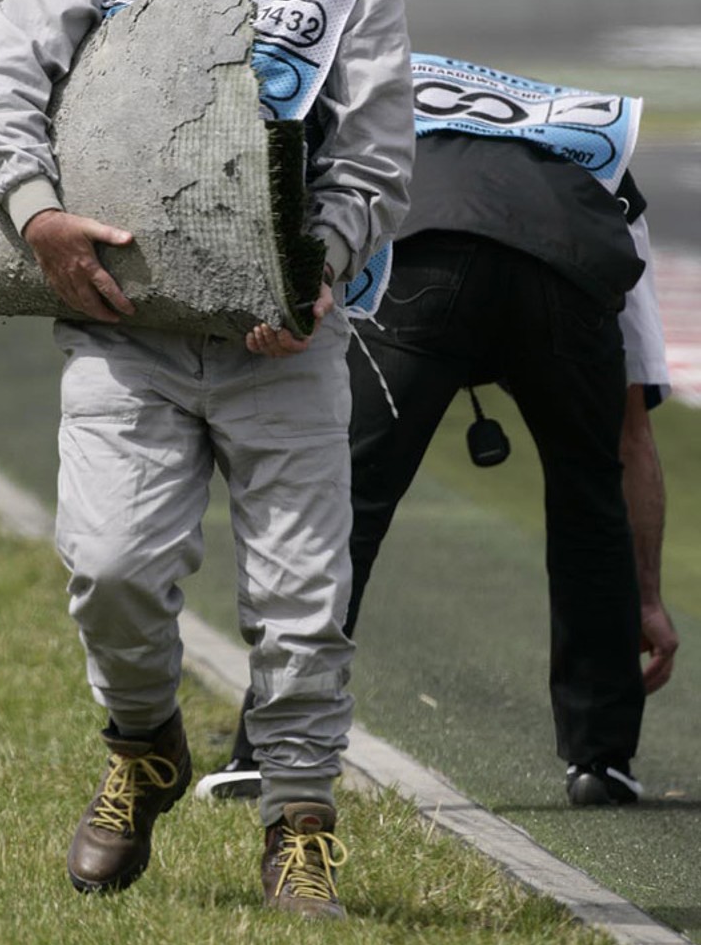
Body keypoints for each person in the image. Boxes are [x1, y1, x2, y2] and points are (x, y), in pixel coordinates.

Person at [0, 0, 413, 918]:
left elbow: (374, 165)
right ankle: (145, 745)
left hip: (282, 343)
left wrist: (316, 276)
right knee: (107, 567)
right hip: (123, 322)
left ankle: (300, 821)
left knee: (303, 605)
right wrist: (36, 215)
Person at [197, 57, 679, 810]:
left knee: (343, 506)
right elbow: (630, 440)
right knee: (590, 499)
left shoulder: (364, 90)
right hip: (569, 267)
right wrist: (644, 598)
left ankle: (267, 752)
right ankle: (602, 758)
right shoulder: (604, 154)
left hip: (425, 254)